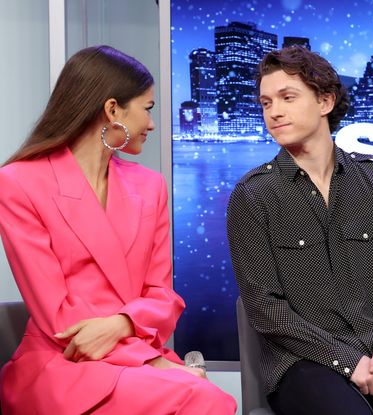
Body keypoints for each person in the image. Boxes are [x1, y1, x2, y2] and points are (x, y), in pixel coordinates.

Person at [0, 45, 236, 415]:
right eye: (148, 109)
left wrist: (123, 324)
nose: (153, 124)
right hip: (64, 364)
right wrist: (156, 363)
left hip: (131, 355)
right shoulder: (18, 183)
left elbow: (162, 297)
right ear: (113, 110)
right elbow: (60, 319)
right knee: (206, 400)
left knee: (211, 400)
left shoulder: (150, 186)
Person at [227, 45, 373, 415]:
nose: (274, 112)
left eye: (287, 97)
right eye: (266, 103)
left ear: (325, 101)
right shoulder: (252, 197)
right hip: (303, 362)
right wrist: (347, 361)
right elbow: (265, 308)